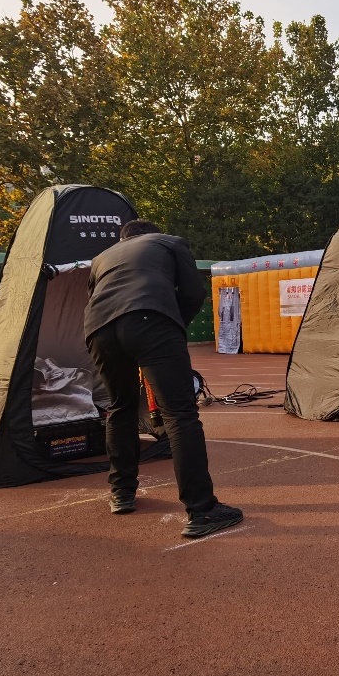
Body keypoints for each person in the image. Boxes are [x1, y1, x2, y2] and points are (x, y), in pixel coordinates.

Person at [85, 220, 242, 538]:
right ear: (152, 233)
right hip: (151, 319)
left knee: (120, 407)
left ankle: (122, 493)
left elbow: (94, 296)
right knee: (180, 415)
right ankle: (202, 510)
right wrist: (172, 326)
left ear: (123, 239)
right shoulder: (170, 242)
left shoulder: (101, 257)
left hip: (98, 329)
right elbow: (194, 292)